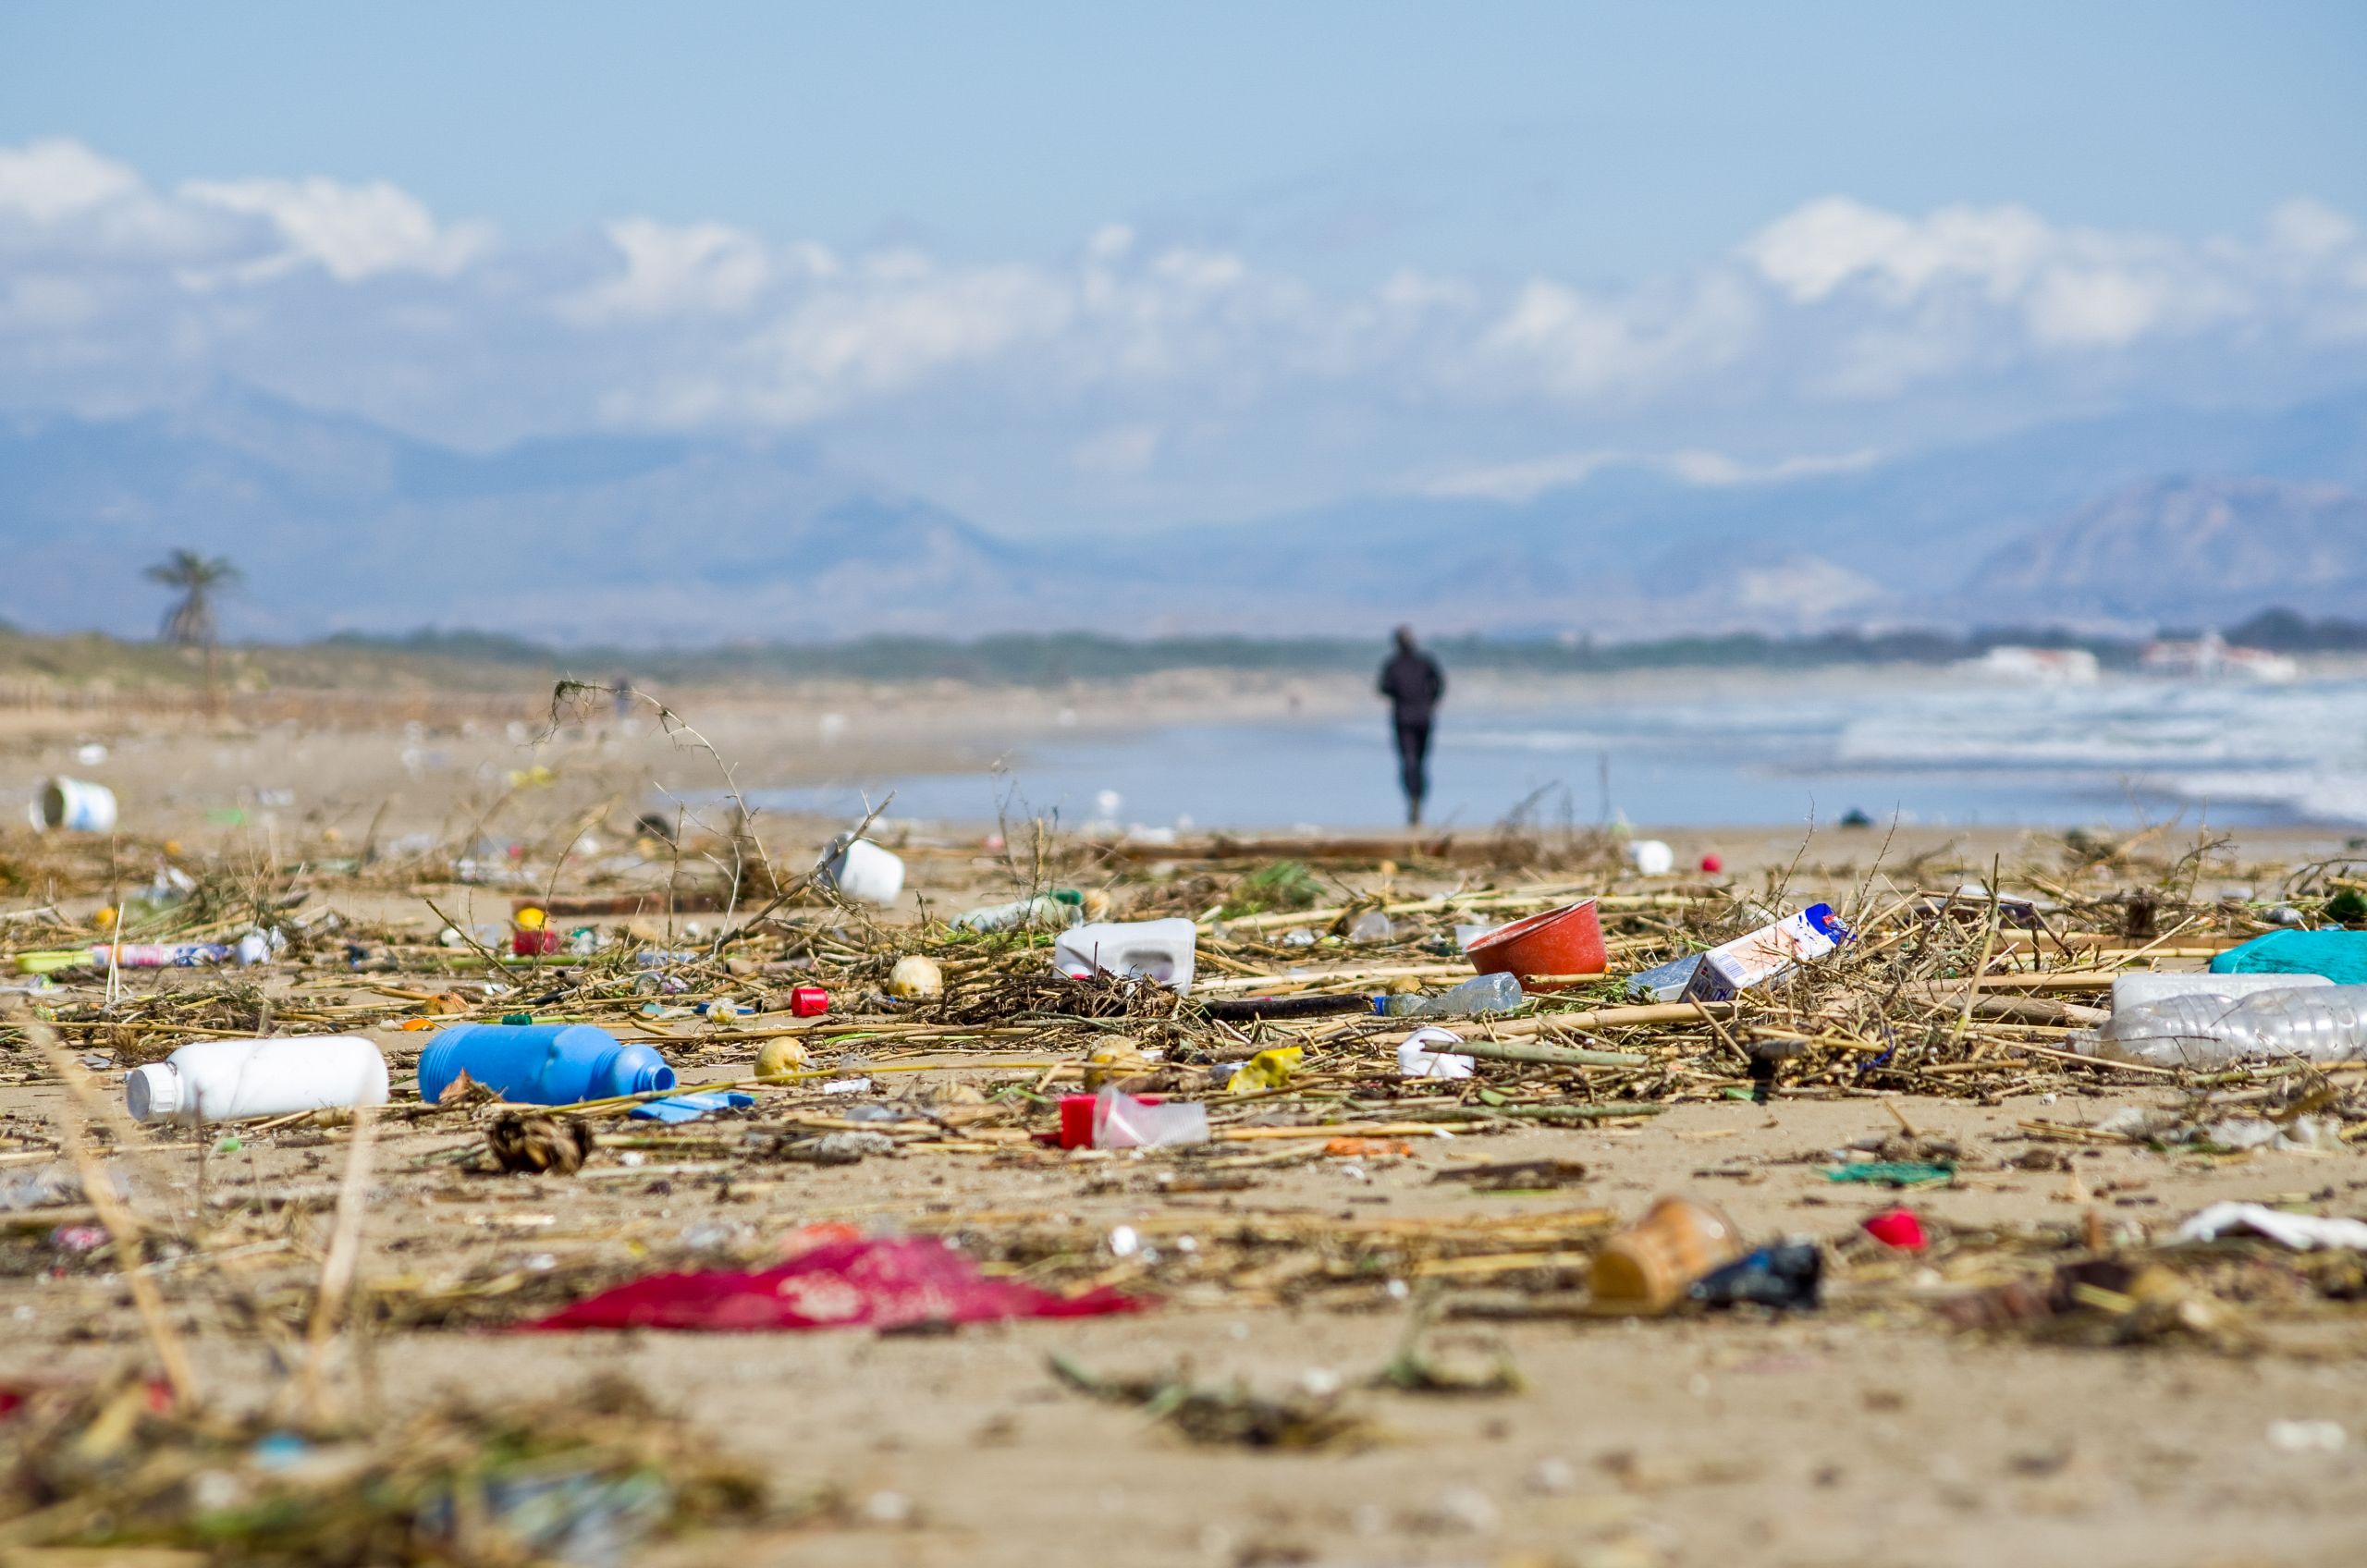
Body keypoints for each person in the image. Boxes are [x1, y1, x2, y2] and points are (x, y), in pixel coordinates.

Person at [1378, 626, 1445, 825]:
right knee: (1420, 762)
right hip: (1423, 717)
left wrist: (1402, 695)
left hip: (1404, 719)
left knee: (1409, 761)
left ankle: (1414, 799)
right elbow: (1439, 684)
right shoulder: (1425, 661)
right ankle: (1417, 800)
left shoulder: (1393, 665)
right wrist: (1429, 701)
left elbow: (1384, 687)